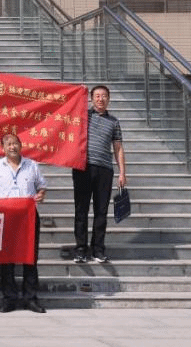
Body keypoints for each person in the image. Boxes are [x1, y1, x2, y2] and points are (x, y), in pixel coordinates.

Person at [0, 133, 47, 314]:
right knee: (7, 259)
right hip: (6, 218)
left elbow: (42, 186)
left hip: (28, 217)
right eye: (8, 144)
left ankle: (30, 298)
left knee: (30, 258)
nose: (12, 147)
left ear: (21, 146)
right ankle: (9, 298)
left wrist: (41, 195)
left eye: (15, 143)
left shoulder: (32, 165)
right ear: (2, 148)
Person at [74, 84, 127, 264]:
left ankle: (98, 249)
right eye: (97, 96)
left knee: (101, 211)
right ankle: (81, 249)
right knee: (81, 210)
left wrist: (122, 172)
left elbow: (118, 148)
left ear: (108, 99)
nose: (100, 99)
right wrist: (78, 93)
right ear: (91, 98)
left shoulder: (114, 122)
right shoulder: (83, 117)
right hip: (83, 168)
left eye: (104, 96)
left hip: (105, 169)